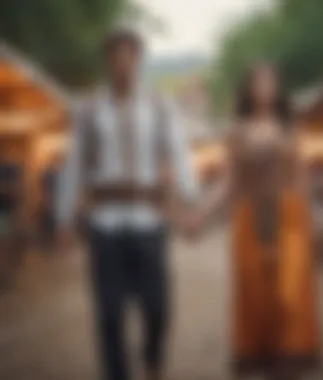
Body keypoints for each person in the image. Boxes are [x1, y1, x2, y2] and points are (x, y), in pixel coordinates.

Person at [55, 29, 198, 380]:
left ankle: (152, 359)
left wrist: (189, 203)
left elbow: (179, 155)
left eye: (129, 55)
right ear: (109, 61)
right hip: (105, 223)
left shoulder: (159, 107)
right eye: (116, 55)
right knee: (109, 312)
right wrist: (64, 218)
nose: (123, 63)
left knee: (157, 306)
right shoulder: (89, 110)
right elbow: (73, 165)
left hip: (148, 220)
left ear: (138, 60)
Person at [193, 63, 321, 379]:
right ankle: (262, 362)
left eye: (270, 81)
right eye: (258, 81)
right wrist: (201, 214)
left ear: (278, 88)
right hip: (249, 219)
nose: (264, 86)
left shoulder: (290, 129)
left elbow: (301, 180)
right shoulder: (236, 132)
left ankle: (288, 364)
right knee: (256, 296)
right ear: (249, 89)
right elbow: (228, 183)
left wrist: (316, 221)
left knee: (288, 295)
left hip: (290, 218)